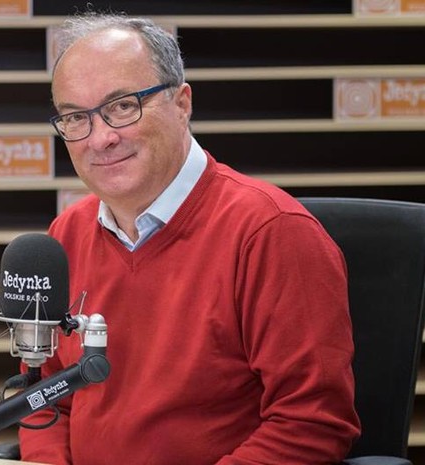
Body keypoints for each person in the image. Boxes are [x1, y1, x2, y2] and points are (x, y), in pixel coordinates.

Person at [18, 11, 361, 465]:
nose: (100, 138)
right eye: (76, 117)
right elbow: (43, 398)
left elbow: (311, 423)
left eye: (122, 107)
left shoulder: (272, 233)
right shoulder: (65, 235)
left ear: (182, 104)